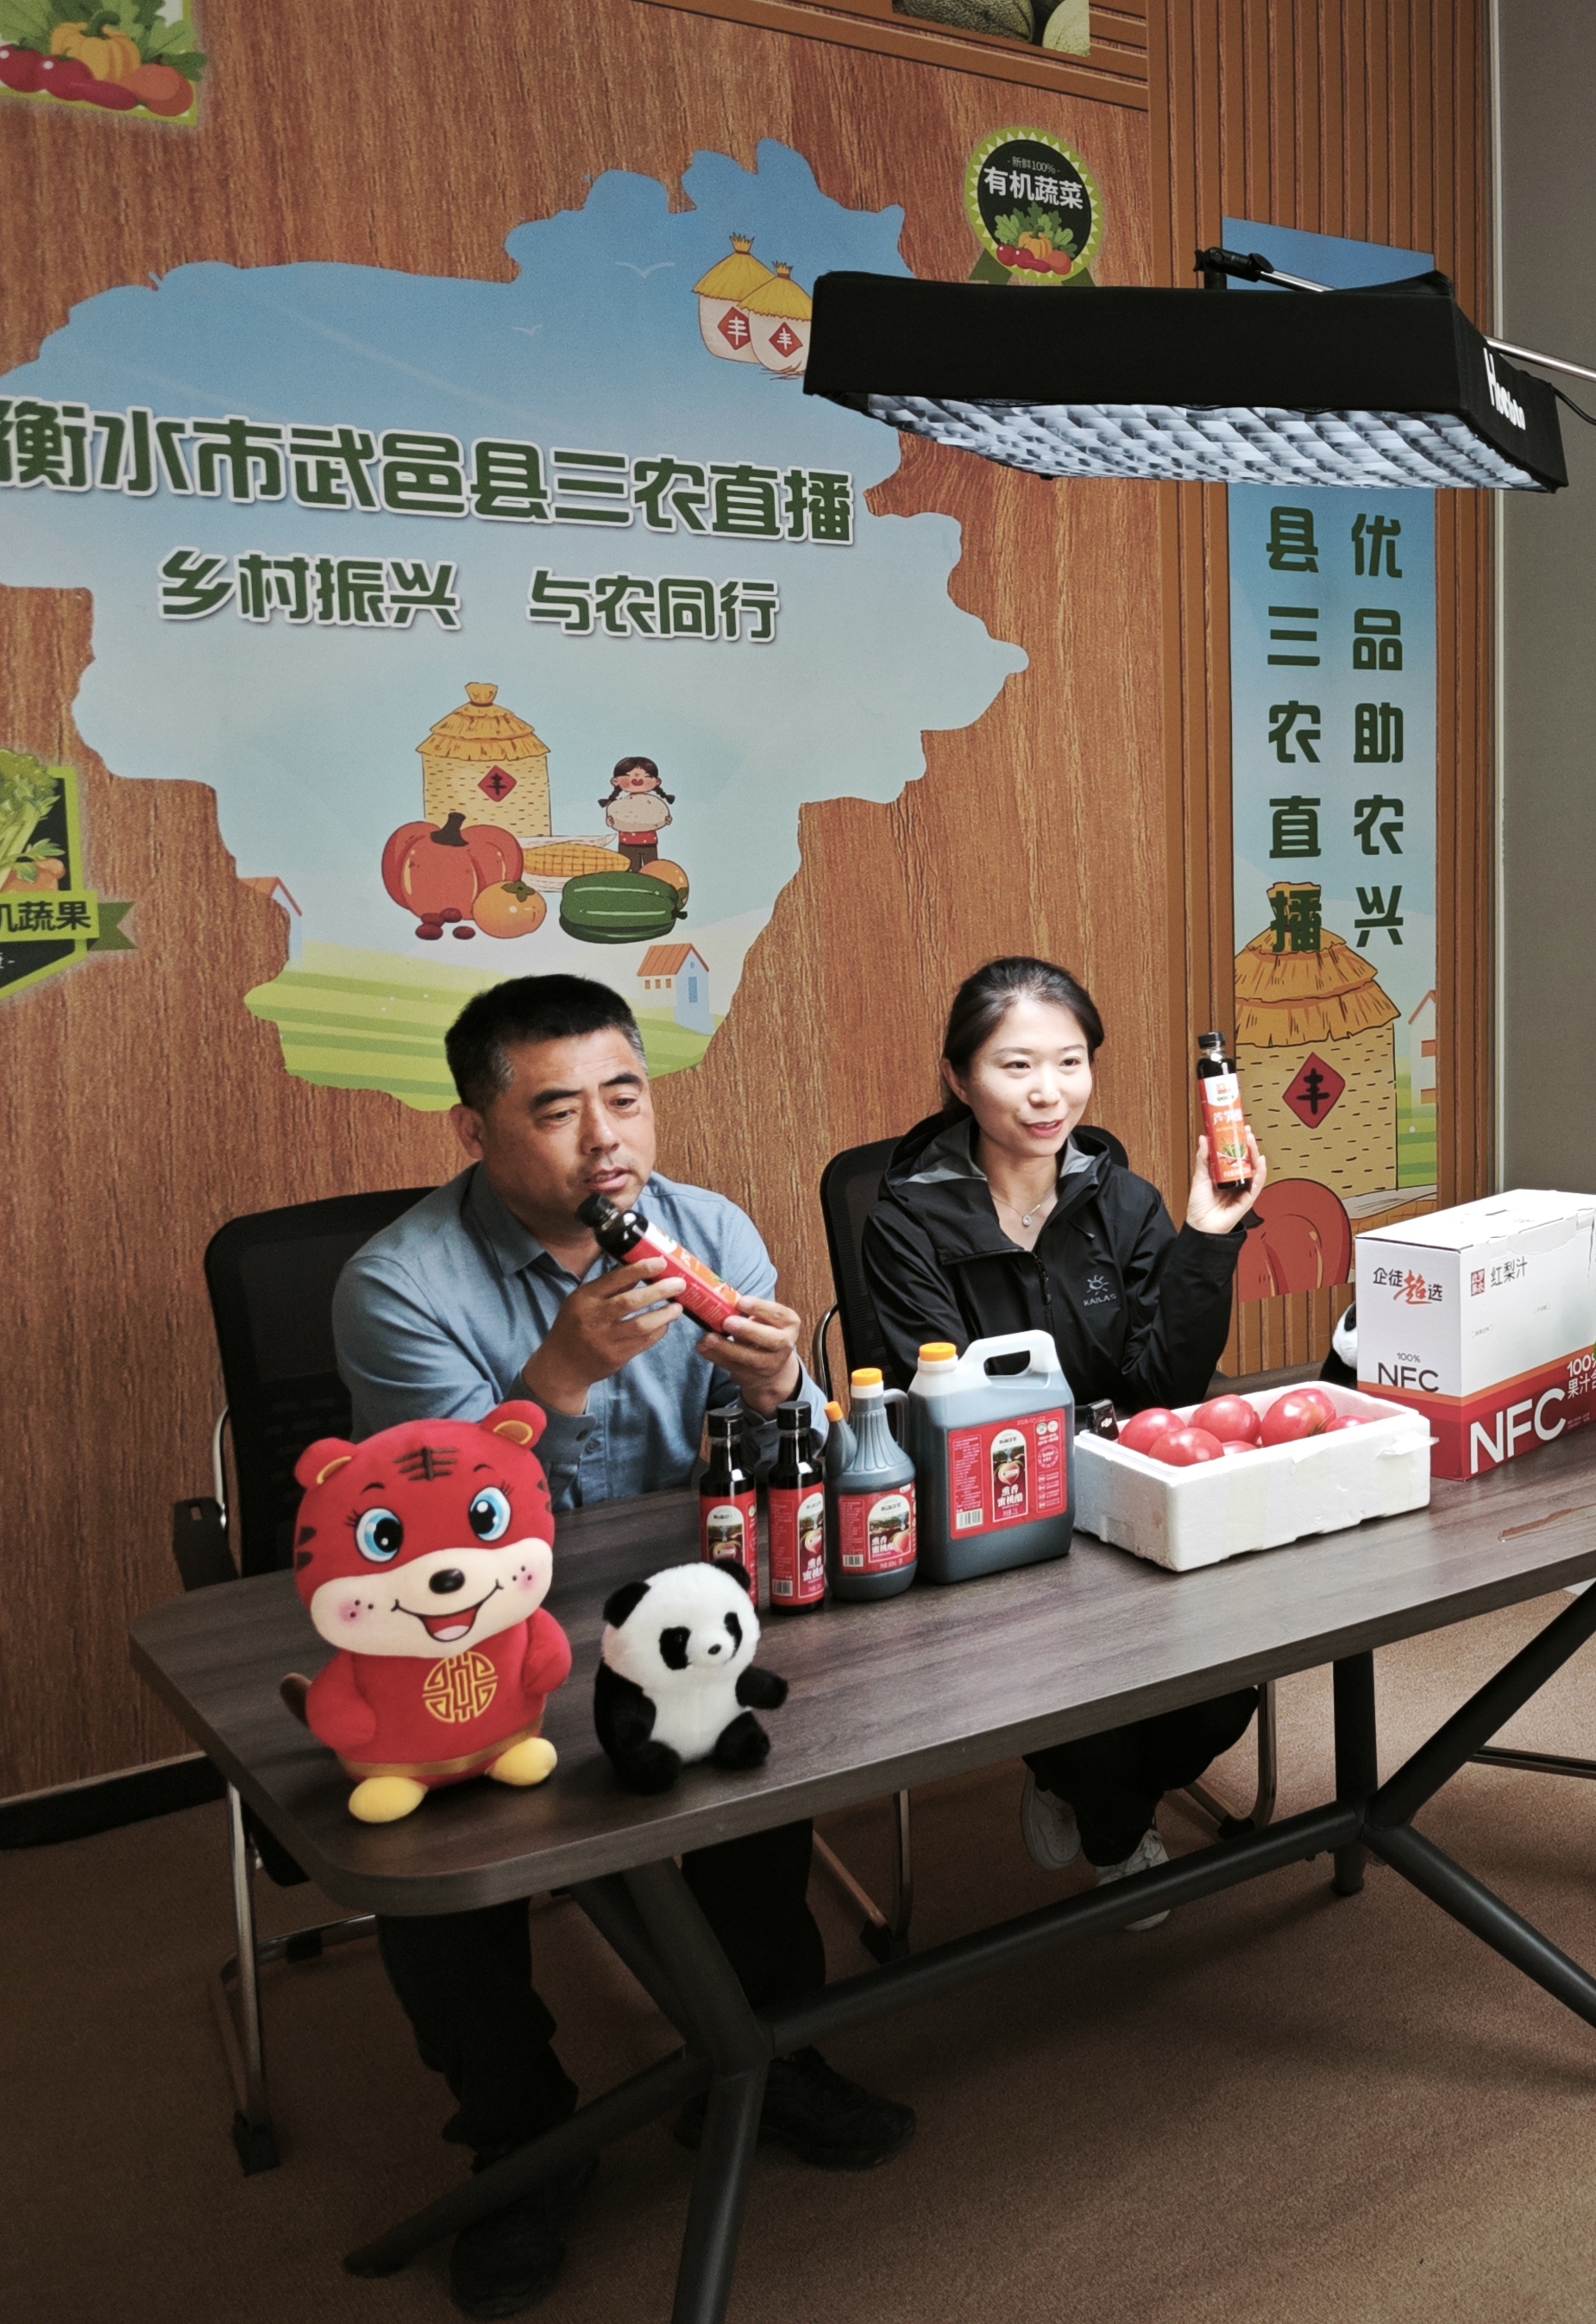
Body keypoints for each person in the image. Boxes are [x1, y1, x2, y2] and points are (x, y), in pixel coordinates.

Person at [332, 975, 912, 2321]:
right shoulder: (396, 1287)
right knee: (437, 1851)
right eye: (557, 1111)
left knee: (771, 1731)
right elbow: (429, 1541)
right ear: (476, 1128)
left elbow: (805, 1470)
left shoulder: (709, 1231)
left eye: (626, 1097)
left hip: (679, 1605)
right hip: (476, 1632)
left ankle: (760, 2055)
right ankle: (520, 2140)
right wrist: (557, 1378)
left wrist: (784, 1388)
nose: (606, 1140)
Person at [858, 957, 1264, 1906]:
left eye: (1070, 1062)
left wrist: (1206, 1236)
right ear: (960, 1078)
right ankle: (1115, 1825)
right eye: (1016, 1066)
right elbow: (953, 1409)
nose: (1049, 1093)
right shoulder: (905, 1221)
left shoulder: (1123, 1201)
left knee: (1225, 1694)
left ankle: (1089, 1794)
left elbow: (1165, 1388)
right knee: (1077, 1719)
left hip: (1129, 1494)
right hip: (995, 1520)